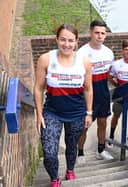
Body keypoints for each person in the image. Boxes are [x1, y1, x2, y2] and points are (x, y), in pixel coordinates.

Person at [33, 24, 93, 187]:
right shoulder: (46, 59)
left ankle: (70, 169)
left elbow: (88, 89)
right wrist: (39, 114)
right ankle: (54, 178)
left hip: (77, 113)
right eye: (63, 40)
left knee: (72, 145)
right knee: (50, 152)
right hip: (52, 113)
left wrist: (89, 112)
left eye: (70, 41)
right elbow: (38, 89)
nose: (66, 44)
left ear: (77, 42)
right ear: (57, 40)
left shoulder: (84, 61)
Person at [77, 20, 114, 162]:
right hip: (86, 96)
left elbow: (109, 74)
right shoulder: (82, 53)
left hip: (103, 94)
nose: (100, 36)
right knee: (84, 126)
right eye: (97, 33)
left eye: (103, 33)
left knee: (103, 123)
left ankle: (101, 149)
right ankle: (80, 153)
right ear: (91, 33)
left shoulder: (109, 53)